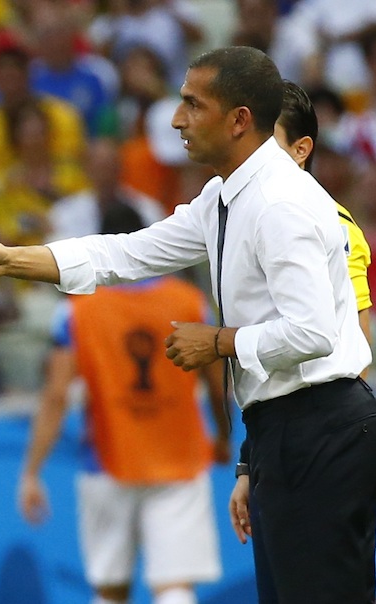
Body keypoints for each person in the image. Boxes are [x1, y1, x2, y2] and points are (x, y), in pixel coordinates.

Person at [0, 46, 376, 603]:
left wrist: (218, 341)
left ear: (239, 120)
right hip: (284, 431)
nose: (177, 120)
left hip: (320, 433)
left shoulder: (279, 204)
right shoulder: (225, 196)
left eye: (193, 105)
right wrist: (10, 260)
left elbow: (313, 333)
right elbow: (127, 253)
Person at [18, 202, 229, 604]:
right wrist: (222, 436)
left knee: (110, 589)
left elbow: (56, 395)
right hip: (179, 456)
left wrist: (32, 472)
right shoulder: (189, 303)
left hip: (106, 461)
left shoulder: (77, 312)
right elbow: (218, 386)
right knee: (175, 586)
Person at [228, 79, 374, 603]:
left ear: (300, 149)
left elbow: (352, 349)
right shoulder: (251, 214)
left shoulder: (329, 223)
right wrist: (252, 461)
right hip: (280, 440)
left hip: (322, 444)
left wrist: (333, 454)